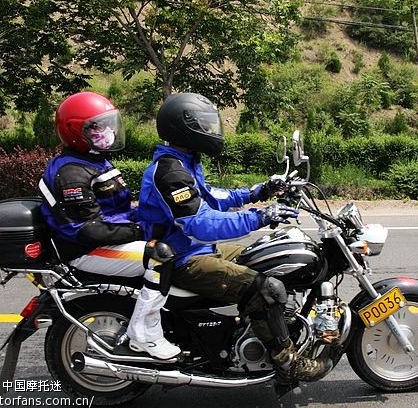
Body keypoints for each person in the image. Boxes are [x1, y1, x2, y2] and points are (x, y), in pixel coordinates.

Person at [137, 92, 331, 383]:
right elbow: (201, 224)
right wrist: (260, 216)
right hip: (184, 258)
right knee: (265, 288)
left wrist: (259, 191)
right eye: (204, 125)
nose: (211, 131)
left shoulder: (183, 162)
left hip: (196, 248)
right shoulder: (169, 172)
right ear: (184, 127)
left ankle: (262, 326)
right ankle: (286, 361)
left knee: (263, 257)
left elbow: (212, 197)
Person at [37, 91, 180, 360]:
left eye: (106, 123)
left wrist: (156, 213)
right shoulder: (72, 173)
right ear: (74, 131)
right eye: (95, 126)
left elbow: (116, 210)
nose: (106, 131)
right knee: (159, 257)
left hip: (103, 239)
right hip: (84, 249)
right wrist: (144, 230)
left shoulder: (92, 161)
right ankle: (144, 334)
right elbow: (88, 230)